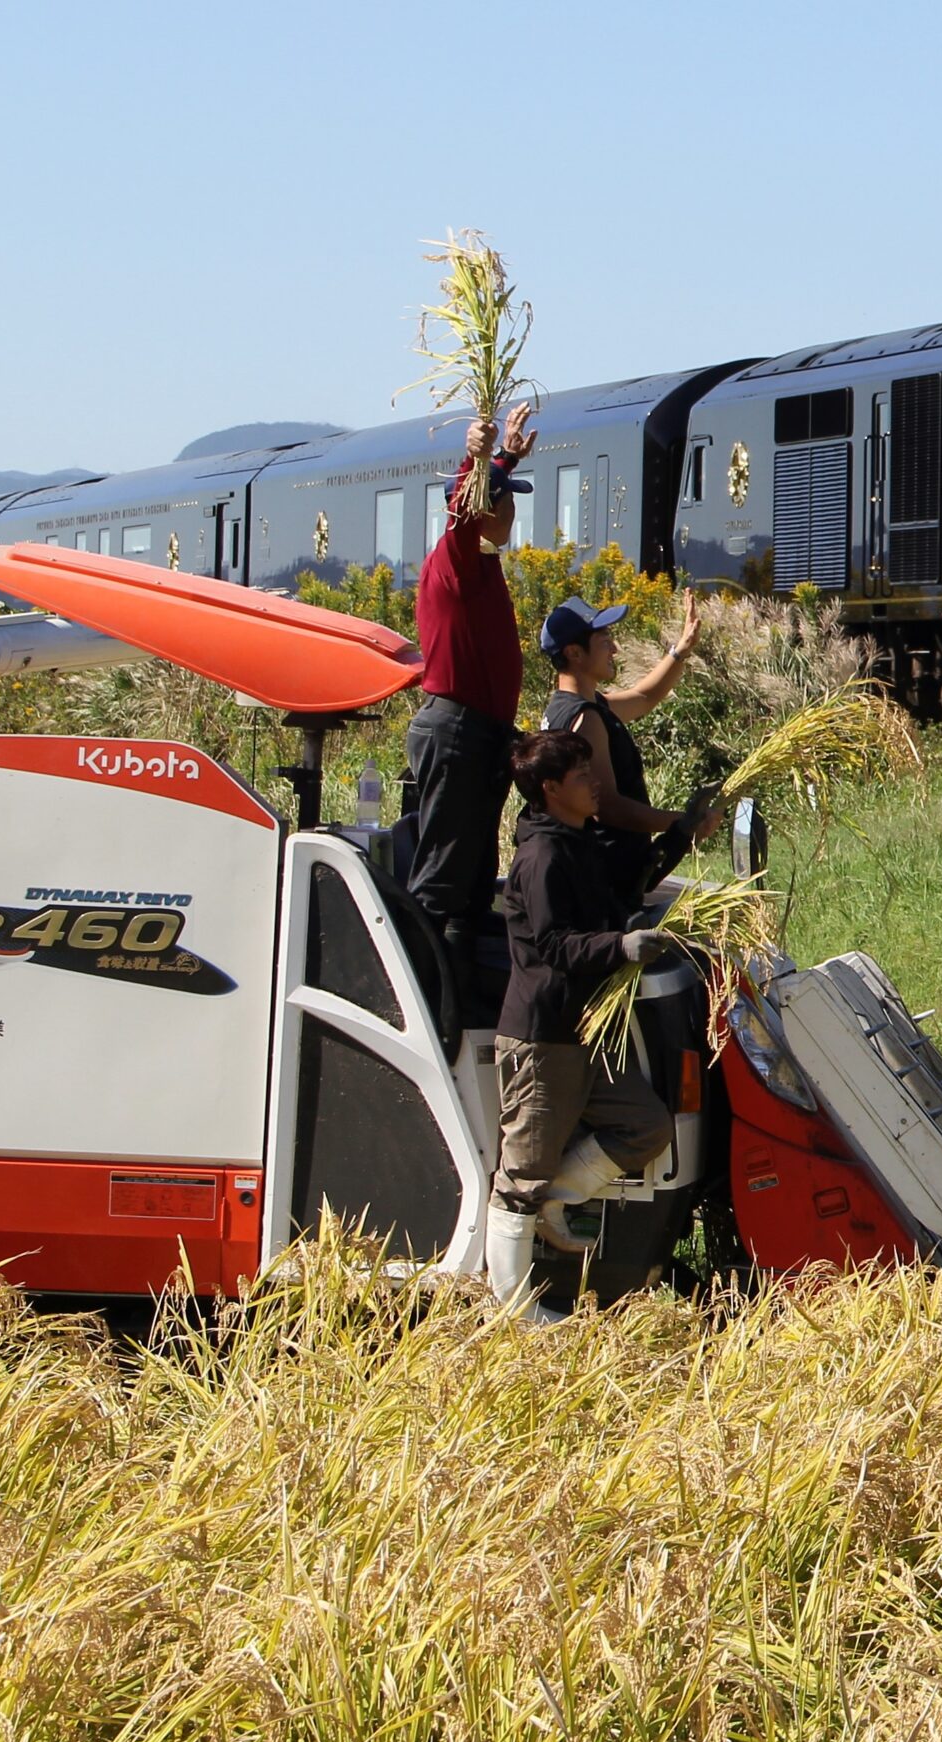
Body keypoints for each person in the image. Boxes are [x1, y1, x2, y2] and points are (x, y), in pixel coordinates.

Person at [486, 728, 677, 1311]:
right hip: (544, 1039)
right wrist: (621, 947)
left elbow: (614, 897)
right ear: (550, 789)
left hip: (586, 1032)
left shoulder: (576, 841)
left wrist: (684, 836)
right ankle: (512, 1311)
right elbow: (553, 945)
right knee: (520, 1179)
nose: (595, 784)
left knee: (646, 1127)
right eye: (580, 777)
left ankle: (556, 1202)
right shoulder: (541, 855)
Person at [405, 404, 539, 991]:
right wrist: (480, 457)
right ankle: (429, 1003)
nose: (511, 510)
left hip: (478, 734)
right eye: (504, 499)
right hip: (457, 731)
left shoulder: (483, 563)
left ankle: (459, 995)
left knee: (472, 879)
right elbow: (461, 508)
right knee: (444, 881)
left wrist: (505, 456)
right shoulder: (457, 557)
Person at [533, 586, 717, 897]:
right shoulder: (585, 720)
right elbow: (609, 808)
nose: (614, 648)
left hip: (604, 872)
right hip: (609, 878)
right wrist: (684, 824)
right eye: (604, 641)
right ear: (574, 653)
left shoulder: (575, 705)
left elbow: (643, 698)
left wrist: (681, 649)